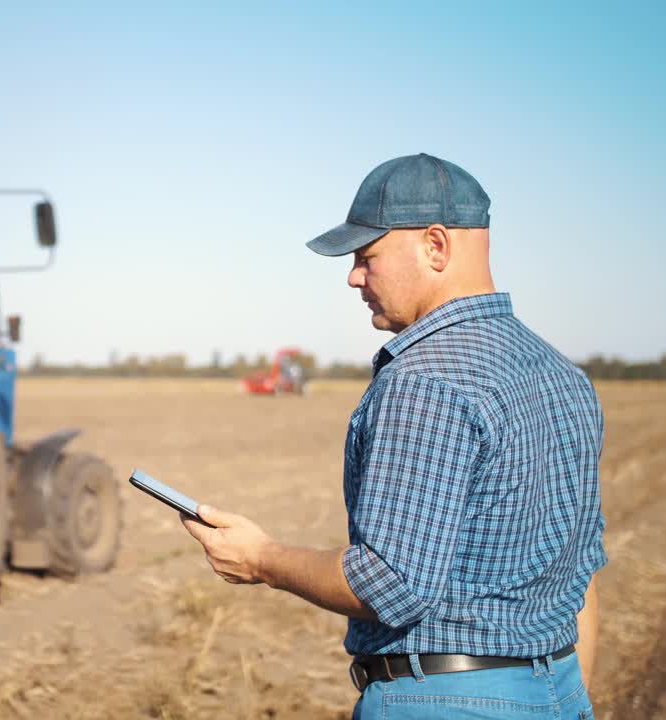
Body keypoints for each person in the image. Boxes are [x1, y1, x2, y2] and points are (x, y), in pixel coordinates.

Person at [180, 153, 605, 719]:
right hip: (562, 689)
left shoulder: (422, 380)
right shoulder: (562, 375)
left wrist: (262, 560)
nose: (354, 276)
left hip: (444, 702)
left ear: (436, 246)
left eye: (367, 256)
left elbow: (388, 584)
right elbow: (582, 575)